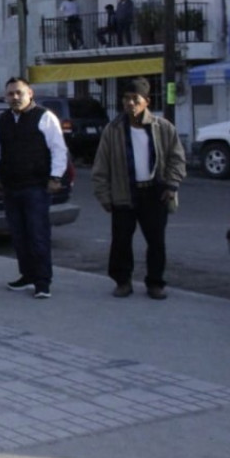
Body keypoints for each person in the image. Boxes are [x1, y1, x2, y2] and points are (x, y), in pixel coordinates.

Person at [91, 77, 186, 300]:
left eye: (135, 99)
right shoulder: (113, 130)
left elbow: (177, 159)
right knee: (121, 241)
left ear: (146, 101)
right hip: (124, 193)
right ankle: (122, 281)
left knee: (156, 241)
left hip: (154, 193)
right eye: (126, 99)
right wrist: (104, 196)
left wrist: (171, 185)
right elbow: (101, 166)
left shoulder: (162, 128)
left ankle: (155, 283)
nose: (130, 103)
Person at [0, 77, 68, 299]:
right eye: (10, 94)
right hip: (11, 188)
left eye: (19, 93)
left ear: (30, 93)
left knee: (37, 235)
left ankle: (42, 282)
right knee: (18, 235)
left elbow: (58, 149)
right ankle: (27, 275)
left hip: (36, 187)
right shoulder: (3, 120)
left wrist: (55, 177)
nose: (14, 97)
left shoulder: (45, 117)